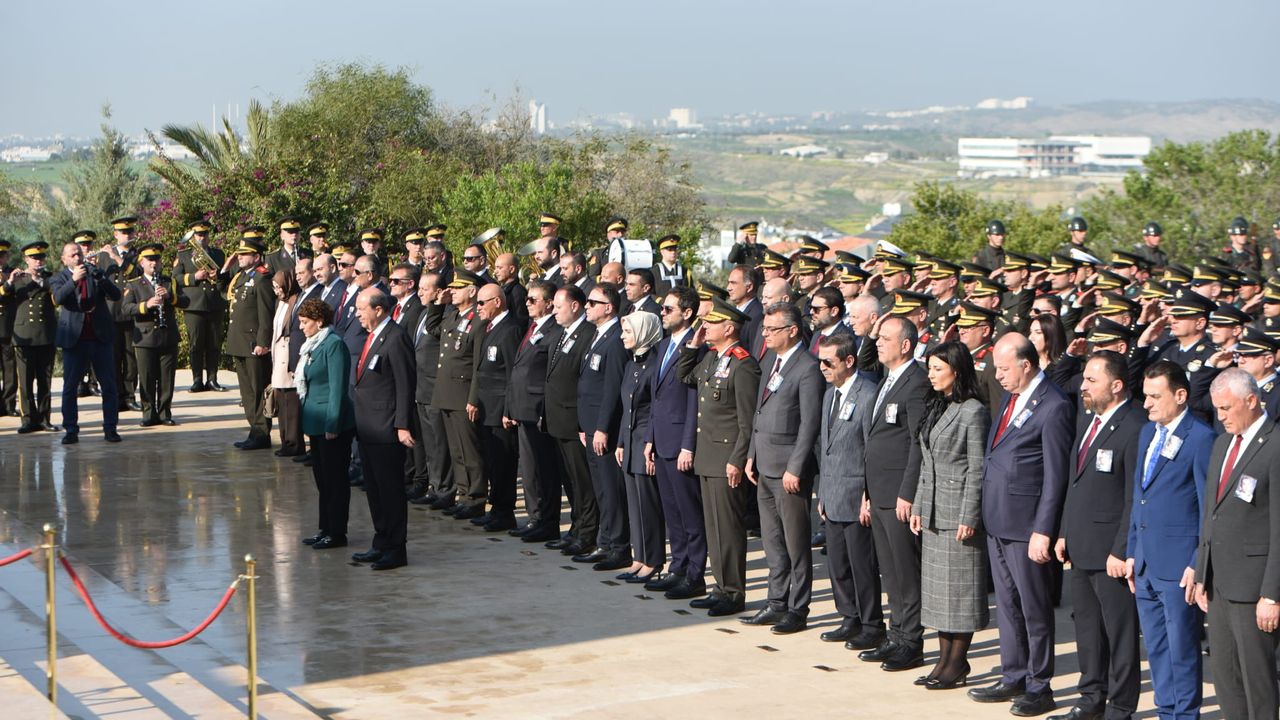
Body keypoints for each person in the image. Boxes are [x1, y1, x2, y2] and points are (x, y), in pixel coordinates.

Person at [969, 333, 1074, 717]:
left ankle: (1039, 684)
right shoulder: (1013, 398)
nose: (997, 375)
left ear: (1026, 365)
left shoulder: (1055, 406)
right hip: (999, 519)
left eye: (1003, 367)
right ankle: (1013, 674)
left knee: (1034, 608)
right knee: (1008, 605)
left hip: (1028, 525)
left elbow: (1056, 476)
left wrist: (1044, 529)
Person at [1051, 351, 1146, 720]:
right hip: (1080, 545)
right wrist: (1063, 532)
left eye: (1092, 380)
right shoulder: (1089, 419)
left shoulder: (1134, 426)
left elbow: (1132, 497)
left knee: (1119, 634)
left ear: (1117, 385)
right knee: (1089, 631)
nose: (1083, 386)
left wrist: (1121, 549)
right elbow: (1075, 484)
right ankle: (1091, 699)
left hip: (1111, 553)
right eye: (1083, 379)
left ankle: (1120, 707)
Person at [1125, 359, 1213, 720]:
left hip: (1179, 566)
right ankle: (1167, 711)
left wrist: (1198, 561)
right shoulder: (1148, 433)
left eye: (1155, 396)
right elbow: (1138, 497)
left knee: (1181, 647)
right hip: (1145, 562)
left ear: (1180, 395)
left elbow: (1208, 508)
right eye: (1145, 396)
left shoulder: (1202, 438)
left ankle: (1185, 714)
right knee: (1158, 647)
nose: (1146, 404)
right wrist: (1132, 551)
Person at [1195, 368, 1280, 719]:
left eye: (1227, 408)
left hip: (1254, 589)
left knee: (1257, 683)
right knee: (1227, 680)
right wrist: (1202, 573)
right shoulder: (1222, 443)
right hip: (1219, 585)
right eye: (1217, 409)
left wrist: (1272, 594)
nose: (1221, 416)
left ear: (1252, 400)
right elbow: (1210, 514)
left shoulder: (1275, 446)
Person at [909, 341, 990, 690]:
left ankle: (956, 663)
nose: (931, 374)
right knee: (940, 595)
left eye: (937, 368)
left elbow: (977, 467)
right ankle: (944, 662)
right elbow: (926, 463)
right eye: (929, 367)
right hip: (933, 510)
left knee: (961, 593)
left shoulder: (973, 411)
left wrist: (970, 515)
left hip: (957, 512)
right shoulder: (938, 405)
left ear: (957, 370)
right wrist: (917, 505)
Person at [741, 302, 824, 635]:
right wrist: (750, 455)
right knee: (773, 541)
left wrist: (797, 466)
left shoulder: (807, 368)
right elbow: (758, 415)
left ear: (792, 330)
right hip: (763, 464)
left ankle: (797, 607)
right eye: (764, 328)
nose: (765, 334)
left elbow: (809, 423)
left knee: (795, 543)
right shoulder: (769, 362)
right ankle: (776, 601)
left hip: (789, 470)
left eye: (772, 329)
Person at [677, 296, 760, 616]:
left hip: (726, 458)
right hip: (707, 456)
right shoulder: (712, 358)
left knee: (729, 528)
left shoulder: (743, 364)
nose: (704, 327)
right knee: (713, 526)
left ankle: (733, 592)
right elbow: (684, 377)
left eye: (710, 323)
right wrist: (692, 346)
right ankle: (720, 586)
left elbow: (747, 420)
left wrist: (737, 459)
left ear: (730, 327)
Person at [858, 316, 929, 672]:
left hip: (899, 494)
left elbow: (917, 443)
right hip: (879, 491)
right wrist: (867, 492)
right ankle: (896, 634)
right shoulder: (887, 380)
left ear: (906, 345)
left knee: (906, 571)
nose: (878, 342)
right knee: (890, 570)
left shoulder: (916, 382)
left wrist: (908, 492)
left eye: (885, 338)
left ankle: (911, 641)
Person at [815, 333, 885, 649]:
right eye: (820, 361)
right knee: (839, 565)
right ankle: (849, 616)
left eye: (828, 362)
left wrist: (868, 496)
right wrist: (824, 492)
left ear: (848, 361)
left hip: (857, 495)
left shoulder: (868, 395)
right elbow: (826, 446)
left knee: (862, 566)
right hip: (833, 492)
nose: (822, 367)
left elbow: (872, 451)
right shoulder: (830, 395)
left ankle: (871, 623)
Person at [643, 286, 707, 599]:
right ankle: (678, 567)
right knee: (672, 512)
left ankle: (695, 574)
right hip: (662, 437)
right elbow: (657, 397)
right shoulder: (665, 344)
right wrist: (650, 438)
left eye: (669, 309)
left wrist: (688, 445)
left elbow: (694, 400)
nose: (663, 313)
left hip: (681, 441)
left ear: (688, 312)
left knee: (689, 512)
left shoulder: (697, 345)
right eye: (663, 309)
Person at [349, 288, 416, 571]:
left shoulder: (396, 337)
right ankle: (381, 541)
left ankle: (396, 549)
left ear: (378, 309)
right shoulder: (373, 336)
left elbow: (405, 384)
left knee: (390, 491)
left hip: (387, 428)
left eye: (361, 308)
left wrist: (402, 424)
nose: (357, 314)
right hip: (367, 428)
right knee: (374, 491)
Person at [575, 283, 631, 570]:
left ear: (608, 307)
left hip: (603, 430)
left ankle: (618, 546)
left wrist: (603, 428)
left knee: (611, 489)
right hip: (590, 427)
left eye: (592, 302)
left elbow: (611, 390)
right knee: (600, 489)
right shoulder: (598, 336)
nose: (586, 306)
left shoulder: (615, 340)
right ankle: (605, 540)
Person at [502, 279, 561, 541]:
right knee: (529, 468)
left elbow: (549, 375)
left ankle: (546, 521)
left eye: (533, 299)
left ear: (549, 303)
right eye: (526, 299)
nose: (527, 303)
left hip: (538, 409)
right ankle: (534, 516)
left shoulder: (553, 331)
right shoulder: (532, 326)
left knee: (543, 470)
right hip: (522, 407)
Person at [544, 285, 599, 557]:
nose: (553, 311)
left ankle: (588, 532)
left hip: (574, 420)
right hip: (557, 419)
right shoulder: (560, 333)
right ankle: (576, 527)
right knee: (569, 480)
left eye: (558, 306)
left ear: (575, 306)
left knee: (582, 481)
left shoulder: (587, 334)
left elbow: (584, 381)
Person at [296, 298, 355, 550]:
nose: (301, 327)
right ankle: (325, 528)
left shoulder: (333, 345)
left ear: (319, 322)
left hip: (332, 425)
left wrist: (333, 423)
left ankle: (337, 532)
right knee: (322, 480)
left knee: (335, 481)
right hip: (315, 423)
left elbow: (337, 389)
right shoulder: (312, 345)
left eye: (305, 322)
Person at [50, 241, 121, 443]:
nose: (77, 258)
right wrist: (73, 280)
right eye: (72, 255)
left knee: (109, 386)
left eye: (79, 254)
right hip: (75, 340)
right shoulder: (59, 277)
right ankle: (71, 430)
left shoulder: (94, 272)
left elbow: (115, 295)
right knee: (70, 388)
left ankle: (110, 429)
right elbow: (58, 298)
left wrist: (101, 277)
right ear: (64, 259)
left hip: (100, 338)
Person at [467, 283, 522, 532]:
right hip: (487, 408)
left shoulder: (509, 330)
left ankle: (504, 512)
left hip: (500, 409)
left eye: (481, 302)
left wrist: (509, 409)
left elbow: (512, 373)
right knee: (492, 462)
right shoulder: (490, 327)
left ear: (497, 302)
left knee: (503, 464)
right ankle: (496, 509)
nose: (477, 307)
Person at [615, 310, 665, 583]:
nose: (623, 336)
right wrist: (621, 442)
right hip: (630, 441)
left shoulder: (655, 364)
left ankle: (653, 560)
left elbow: (655, 409)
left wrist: (650, 443)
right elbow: (627, 407)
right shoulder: (631, 363)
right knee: (633, 504)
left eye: (629, 332)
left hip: (646, 442)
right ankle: (639, 557)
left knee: (648, 504)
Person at [122, 243, 188, 427]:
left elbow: (185, 301)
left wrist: (170, 297)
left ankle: (165, 412)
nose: (154, 263)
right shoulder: (134, 284)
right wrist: (146, 305)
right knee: (147, 377)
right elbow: (126, 308)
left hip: (168, 336)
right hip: (144, 338)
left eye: (157, 260)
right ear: (142, 262)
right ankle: (148, 413)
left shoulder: (169, 282)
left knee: (167, 378)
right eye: (150, 260)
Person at [224, 230, 277, 450]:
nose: (240, 257)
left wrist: (263, 342)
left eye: (245, 254)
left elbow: (266, 314)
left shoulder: (262, 278)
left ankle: (262, 433)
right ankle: (254, 430)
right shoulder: (243, 276)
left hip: (254, 343)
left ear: (256, 256)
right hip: (239, 342)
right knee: (247, 393)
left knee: (258, 391)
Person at [410, 272, 455, 507]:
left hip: (436, 388)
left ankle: (446, 489)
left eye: (424, 289)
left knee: (440, 443)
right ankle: (435, 486)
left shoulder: (444, 315)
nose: (419, 292)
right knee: (429, 443)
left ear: (438, 292)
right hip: (421, 389)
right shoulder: (422, 313)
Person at [8, 239, 57, 433]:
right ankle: (27, 419)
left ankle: (44, 418)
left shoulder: (50, 279)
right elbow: (3, 294)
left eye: (41, 257)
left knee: (45, 380)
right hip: (24, 335)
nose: (38, 261)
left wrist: (39, 280)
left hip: (45, 335)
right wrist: (10, 281)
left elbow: (57, 297)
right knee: (25, 382)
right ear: (26, 259)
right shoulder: (18, 279)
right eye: (34, 258)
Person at [174, 219, 227, 392]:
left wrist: (216, 275)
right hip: (194, 306)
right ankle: (197, 379)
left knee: (213, 343)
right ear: (193, 235)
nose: (201, 238)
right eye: (198, 235)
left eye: (204, 234)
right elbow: (176, 278)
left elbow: (225, 277)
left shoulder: (218, 254)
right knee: (195, 344)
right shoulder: (183, 255)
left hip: (214, 303)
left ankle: (212, 379)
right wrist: (194, 277)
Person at [98, 216, 141, 413]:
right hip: (111, 313)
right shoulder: (103, 256)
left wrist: (117, 258)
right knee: (113, 358)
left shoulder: (137, 254)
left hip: (130, 312)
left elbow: (136, 274)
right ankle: (116, 397)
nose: (128, 235)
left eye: (130, 232)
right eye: (124, 233)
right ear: (116, 235)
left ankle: (130, 396)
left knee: (131, 359)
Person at [269, 269, 304, 456]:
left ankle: (294, 444)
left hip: (289, 358)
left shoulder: (295, 301)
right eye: (274, 287)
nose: (277, 291)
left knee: (291, 405)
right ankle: (285, 441)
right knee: (281, 403)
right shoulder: (281, 303)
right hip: (279, 358)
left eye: (279, 287)